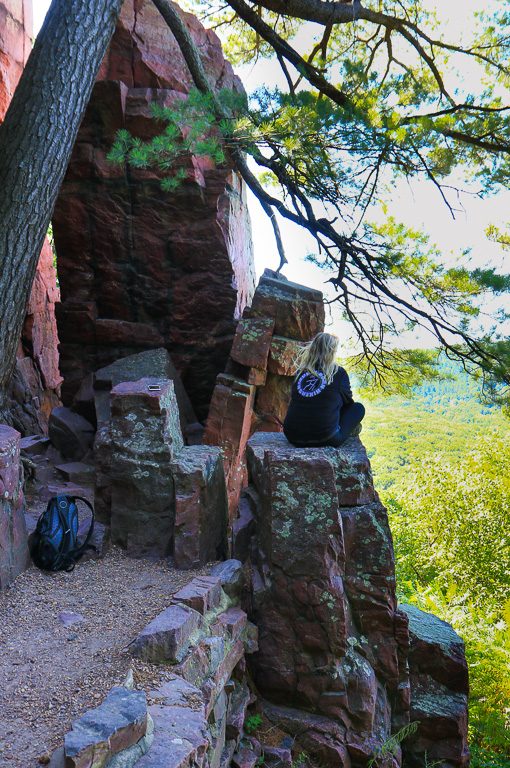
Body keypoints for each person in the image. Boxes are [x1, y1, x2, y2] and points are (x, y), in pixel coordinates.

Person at [283, 332, 365, 448]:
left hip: (293, 436)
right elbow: (348, 404)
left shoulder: (300, 373)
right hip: (326, 438)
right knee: (358, 408)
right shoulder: (338, 373)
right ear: (332, 352)